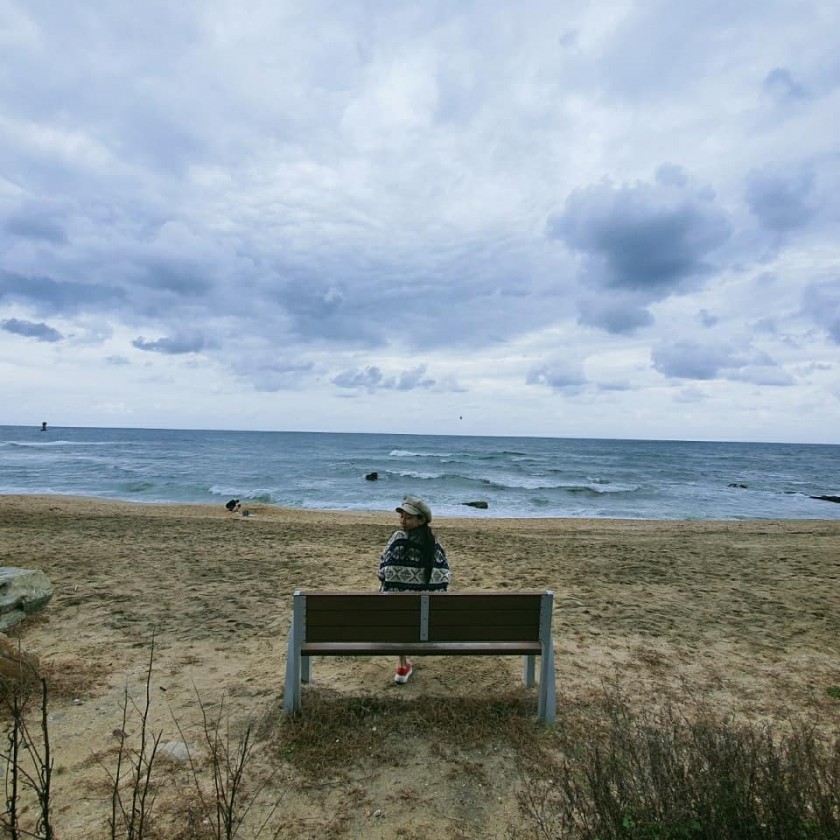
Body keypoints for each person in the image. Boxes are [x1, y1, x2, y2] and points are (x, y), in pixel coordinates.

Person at [377, 496, 451, 684]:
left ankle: (402, 663)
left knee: (394, 599)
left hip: (396, 618)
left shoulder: (397, 538)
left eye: (408, 517)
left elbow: (382, 572)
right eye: (401, 516)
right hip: (428, 620)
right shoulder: (435, 545)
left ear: (421, 520)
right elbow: (444, 580)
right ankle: (403, 664)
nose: (402, 521)